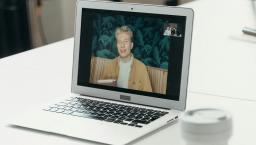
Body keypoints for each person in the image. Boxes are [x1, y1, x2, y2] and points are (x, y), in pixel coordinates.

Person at [100, 25, 152, 92]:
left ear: (131, 45)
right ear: (117, 45)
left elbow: (147, 96)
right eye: (119, 42)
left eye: (126, 41)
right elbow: (101, 92)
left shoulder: (141, 68)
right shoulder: (109, 66)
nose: (122, 45)